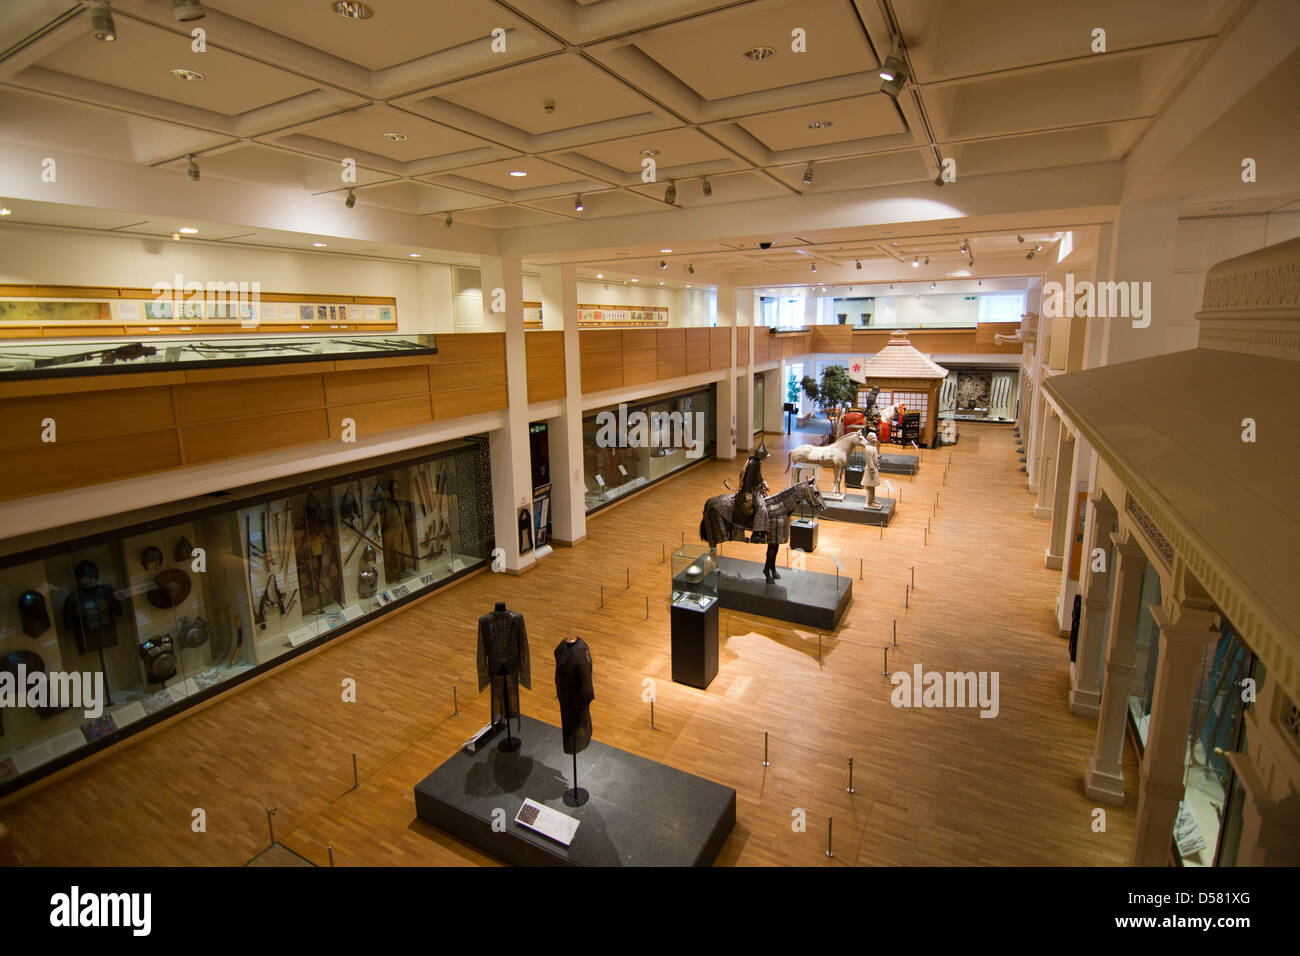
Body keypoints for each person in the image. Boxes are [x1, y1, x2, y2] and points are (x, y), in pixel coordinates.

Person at [862, 431, 882, 509]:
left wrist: (877, 465)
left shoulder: (872, 447)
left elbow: (875, 458)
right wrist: (872, 469)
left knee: (872, 486)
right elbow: (869, 460)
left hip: (874, 468)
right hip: (871, 470)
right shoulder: (868, 448)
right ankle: (869, 502)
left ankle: (872, 500)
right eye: (874, 438)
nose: (876, 439)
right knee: (869, 487)